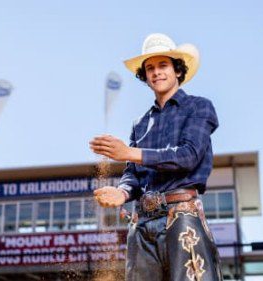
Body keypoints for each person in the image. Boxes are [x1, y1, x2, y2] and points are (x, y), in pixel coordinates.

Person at [89, 33, 222, 281]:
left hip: (181, 216)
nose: (156, 72)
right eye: (150, 68)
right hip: (141, 223)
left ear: (178, 71)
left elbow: (189, 155)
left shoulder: (199, 107)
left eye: (163, 65)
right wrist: (123, 192)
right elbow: (132, 173)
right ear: (144, 76)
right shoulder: (139, 124)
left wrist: (129, 152)